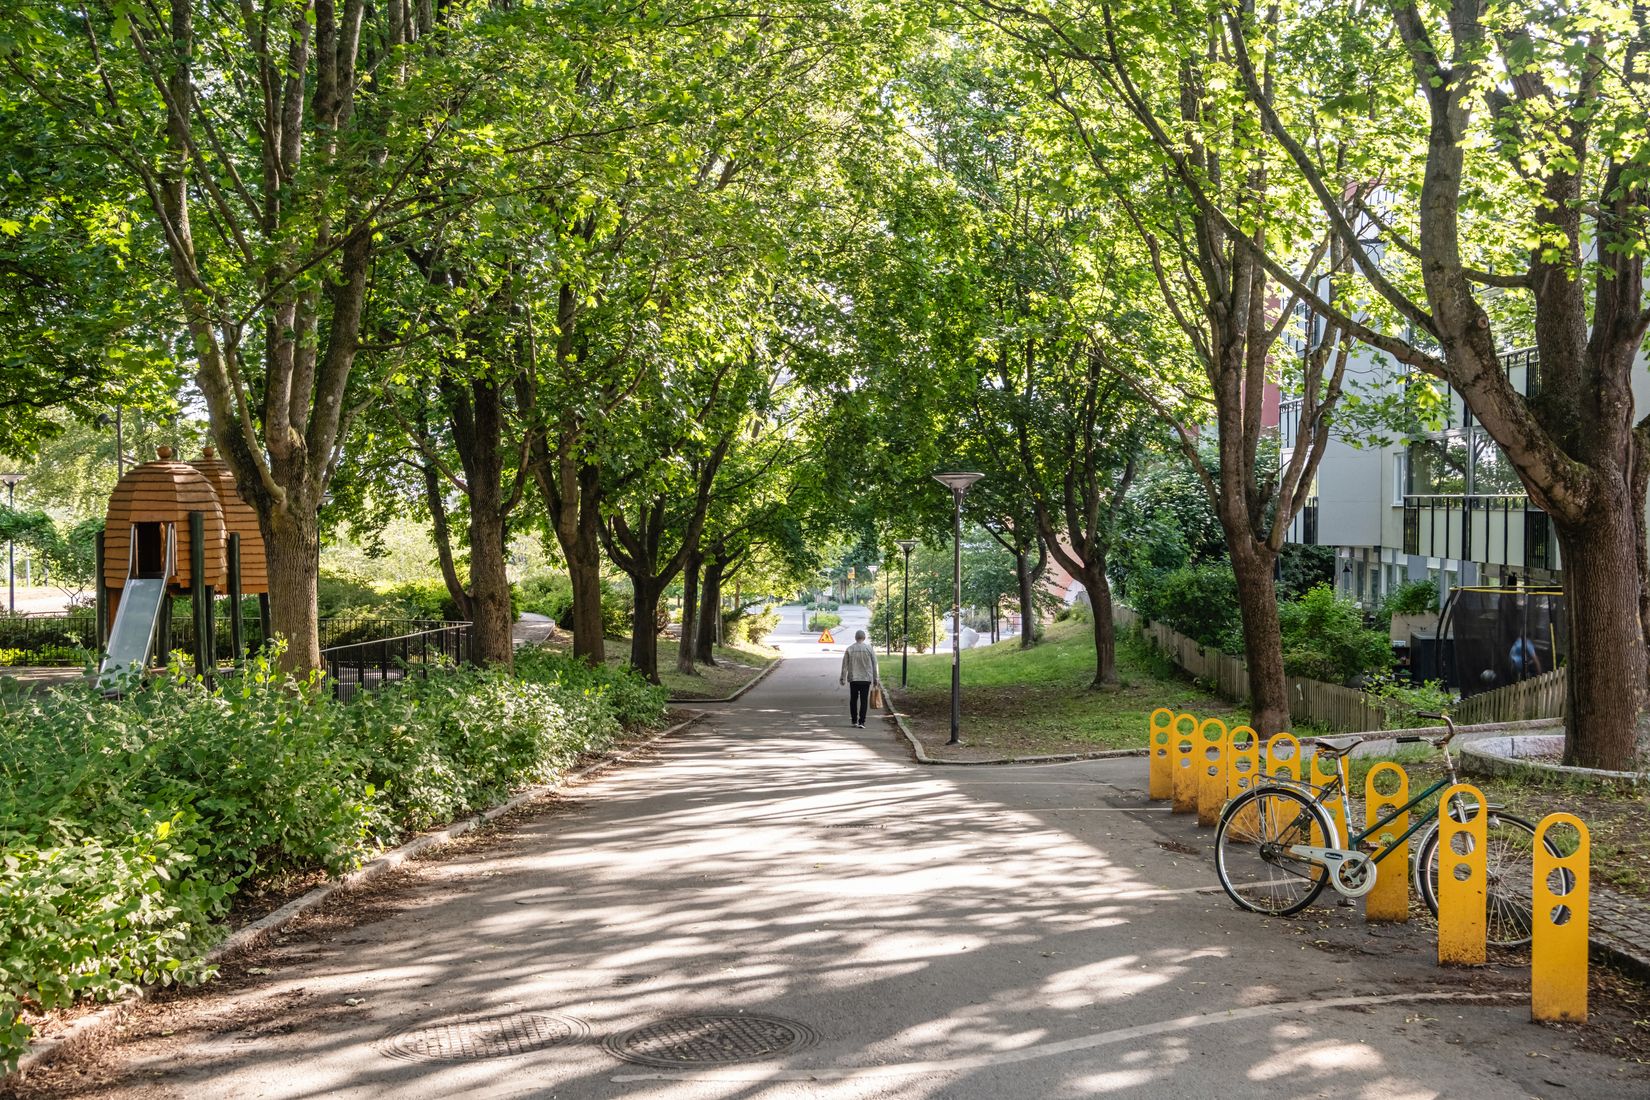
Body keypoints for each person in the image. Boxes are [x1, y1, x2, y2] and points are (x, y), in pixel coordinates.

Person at [839, 628, 881, 728]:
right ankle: (862, 722)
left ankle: (854, 721)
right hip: (866, 679)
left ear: (855, 638)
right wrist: (876, 678)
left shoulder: (850, 649)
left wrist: (843, 678)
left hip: (854, 678)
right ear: (864, 638)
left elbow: (844, 665)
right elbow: (875, 664)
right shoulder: (869, 649)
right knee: (864, 700)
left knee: (853, 700)